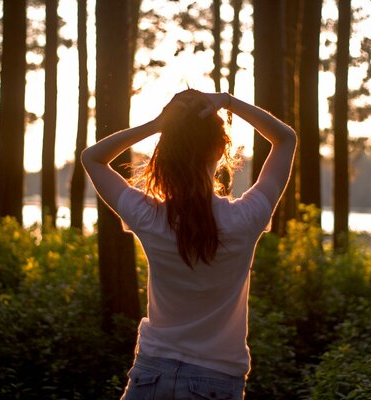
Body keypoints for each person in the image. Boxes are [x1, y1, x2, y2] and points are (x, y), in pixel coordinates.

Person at [81, 89, 297, 399]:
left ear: (166, 153)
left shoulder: (150, 216)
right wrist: (228, 101)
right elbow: (285, 139)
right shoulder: (245, 219)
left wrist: (158, 124)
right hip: (215, 382)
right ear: (221, 150)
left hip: (150, 376)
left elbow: (93, 158)